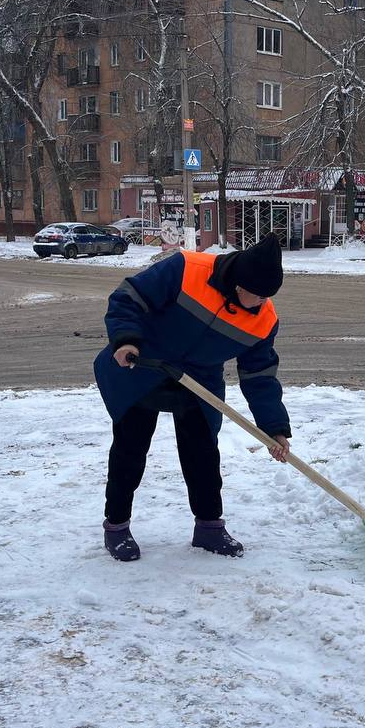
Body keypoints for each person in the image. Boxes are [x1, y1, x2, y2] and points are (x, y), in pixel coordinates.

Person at [94, 234, 292, 562]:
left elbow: (260, 377)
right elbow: (128, 296)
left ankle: (209, 528)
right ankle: (116, 526)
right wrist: (126, 341)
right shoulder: (187, 268)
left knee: (202, 455)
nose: (259, 303)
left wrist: (274, 428)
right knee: (130, 450)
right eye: (255, 294)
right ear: (238, 281)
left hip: (199, 381)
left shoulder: (264, 320)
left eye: (266, 297)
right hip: (145, 365)